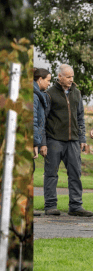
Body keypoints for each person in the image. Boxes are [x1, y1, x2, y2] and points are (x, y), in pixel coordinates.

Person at [43, 64, 91, 216]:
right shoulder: (49, 94)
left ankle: (76, 206)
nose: (71, 80)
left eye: (72, 77)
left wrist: (82, 139)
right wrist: (43, 143)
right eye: (68, 77)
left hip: (73, 141)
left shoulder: (77, 93)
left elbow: (80, 118)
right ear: (60, 77)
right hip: (54, 140)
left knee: (75, 173)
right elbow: (42, 120)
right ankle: (50, 206)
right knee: (51, 174)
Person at [34, 68, 51, 159]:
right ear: (40, 79)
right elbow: (34, 121)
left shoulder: (40, 95)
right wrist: (35, 144)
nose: (49, 83)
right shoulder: (34, 96)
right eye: (48, 80)